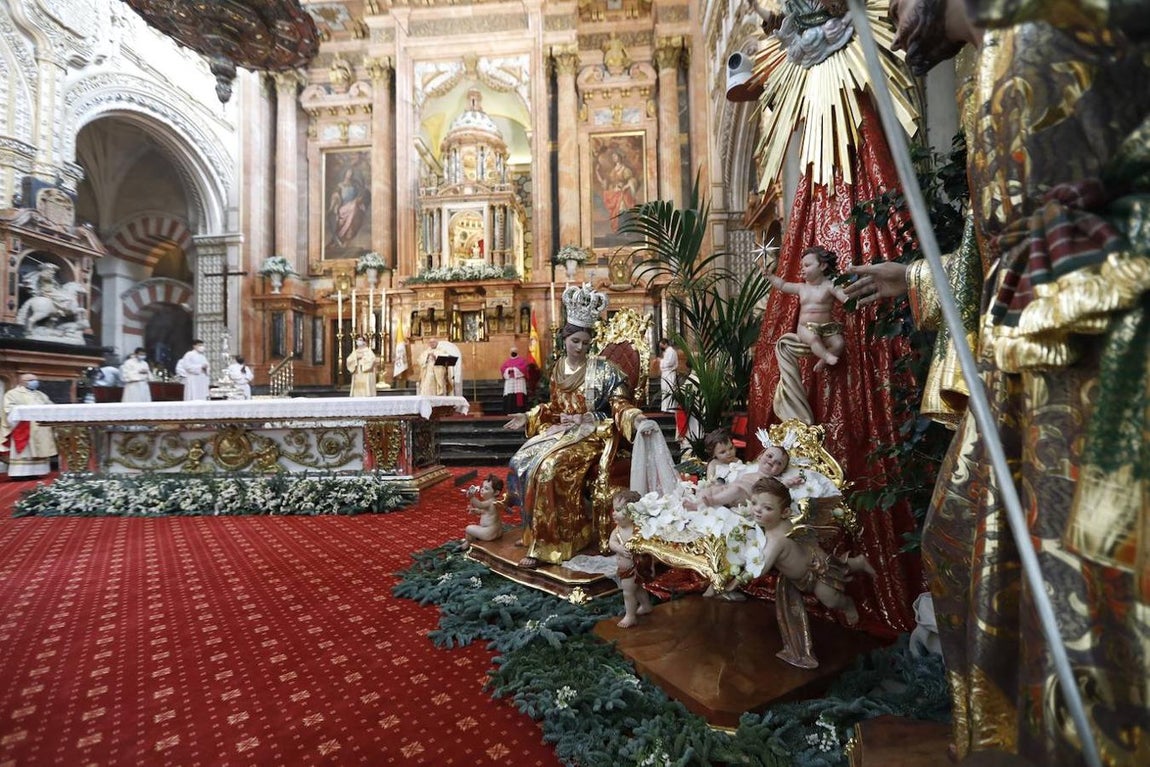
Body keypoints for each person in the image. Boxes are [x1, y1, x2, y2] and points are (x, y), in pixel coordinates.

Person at [841, 2, 1150, 763]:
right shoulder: (988, 49)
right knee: (959, 543)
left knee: (1095, 603)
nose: (897, 14)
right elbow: (1005, 236)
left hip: (1100, 355)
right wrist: (917, 277)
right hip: (1030, 358)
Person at [504, 283, 662, 568]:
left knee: (550, 468)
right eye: (575, 341)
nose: (580, 347)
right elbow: (553, 408)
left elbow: (619, 405)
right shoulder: (557, 368)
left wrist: (636, 418)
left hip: (593, 436)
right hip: (561, 433)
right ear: (565, 338)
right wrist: (528, 417)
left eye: (586, 343)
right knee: (520, 461)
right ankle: (535, 532)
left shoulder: (604, 370)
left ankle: (556, 543)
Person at [747, 477, 875, 626]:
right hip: (806, 570)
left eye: (767, 508)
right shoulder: (775, 524)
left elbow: (760, 569)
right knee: (840, 567)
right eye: (754, 503)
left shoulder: (776, 541)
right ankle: (859, 562)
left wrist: (741, 571)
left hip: (816, 571)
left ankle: (848, 604)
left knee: (831, 600)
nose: (757, 510)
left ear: (785, 512)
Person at [766, 245, 849, 370]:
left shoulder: (829, 286)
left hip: (826, 328)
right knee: (814, 339)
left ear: (822, 266)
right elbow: (783, 285)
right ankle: (826, 356)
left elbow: (842, 296)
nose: (803, 269)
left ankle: (823, 361)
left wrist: (850, 301)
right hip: (805, 327)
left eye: (807, 265)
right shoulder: (802, 287)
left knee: (839, 343)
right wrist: (771, 277)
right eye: (802, 266)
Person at [609, 489, 653, 628]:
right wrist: (619, 548)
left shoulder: (637, 530)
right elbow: (611, 543)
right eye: (614, 509)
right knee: (638, 589)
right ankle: (646, 605)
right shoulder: (617, 530)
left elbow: (646, 544)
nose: (614, 513)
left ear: (633, 513)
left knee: (628, 592)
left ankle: (630, 616)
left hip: (635, 568)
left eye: (618, 510)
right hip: (625, 569)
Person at [1, 374, 57, 479]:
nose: (35, 382)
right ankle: (20, 474)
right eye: (31, 380)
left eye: (36, 380)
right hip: (24, 426)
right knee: (25, 451)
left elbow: (50, 406)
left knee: (40, 448)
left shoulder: (40, 394)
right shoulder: (13, 394)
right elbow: (8, 409)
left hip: (40, 426)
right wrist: (24, 411)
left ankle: (37, 472)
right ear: (22, 382)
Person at [463, 475, 505, 546]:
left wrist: (472, 497)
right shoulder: (495, 502)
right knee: (476, 529)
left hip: (488, 533)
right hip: (497, 532)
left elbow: (480, 505)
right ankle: (476, 537)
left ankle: (467, 543)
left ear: (496, 492)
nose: (482, 489)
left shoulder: (490, 502)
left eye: (486, 488)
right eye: (482, 487)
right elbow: (485, 511)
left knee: (468, 528)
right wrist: (475, 510)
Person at [500, 347, 529, 414]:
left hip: (519, 381)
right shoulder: (507, 361)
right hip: (510, 381)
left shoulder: (522, 360)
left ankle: (520, 410)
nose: (513, 352)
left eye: (514, 351)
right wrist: (508, 370)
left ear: (517, 352)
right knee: (510, 395)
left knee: (519, 395)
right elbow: (502, 368)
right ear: (510, 352)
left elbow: (524, 367)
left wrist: (514, 370)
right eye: (512, 351)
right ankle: (509, 410)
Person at [657, 338, 679, 411]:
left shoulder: (671, 351)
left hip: (670, 373)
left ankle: (671, 408)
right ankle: (665, 408)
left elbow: (670, 363)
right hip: (665, 373)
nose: (661, 347)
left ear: (666, 344)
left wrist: (661, 360)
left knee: (670, 390)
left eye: (662, 346)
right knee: (665, 390)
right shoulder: (667, 351)